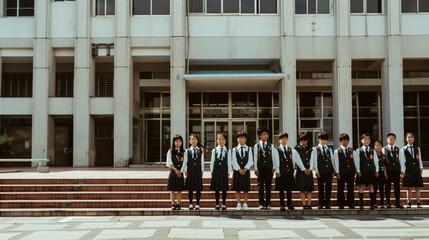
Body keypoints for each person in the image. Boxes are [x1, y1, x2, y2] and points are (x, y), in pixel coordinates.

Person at [275, 132, 304, 210]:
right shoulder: (276, 150)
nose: (284, 141)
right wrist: (277, 171)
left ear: (287, 140)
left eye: (285, 139)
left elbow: (297, 160)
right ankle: (282, 204)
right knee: (281, 190)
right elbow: (276, 161)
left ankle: (289, 204)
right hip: (281, 172)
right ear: (279, 140)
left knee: (289, 189)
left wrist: (303, 169)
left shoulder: (292, 150)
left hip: (289, 172)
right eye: (282, 139)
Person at [254, 127, 278, 210]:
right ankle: (261, 203)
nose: (266, 136)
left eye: (266, 134)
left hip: (269, 168)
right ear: (259, 136)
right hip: (260, 168)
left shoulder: (271, 145)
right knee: (260, 186)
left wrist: (274, 167)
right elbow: (255, 157)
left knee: (268, 186)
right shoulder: (256, 146)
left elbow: (273, 157)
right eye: (263, 134)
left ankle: (268, 203)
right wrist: (256, 168)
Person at [355, 133, 379, 210]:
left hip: (371, 171)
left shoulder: (372, 150)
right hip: (362, 171)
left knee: (371, 186)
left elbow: (376, 161)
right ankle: (361, 204)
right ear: (361, 140)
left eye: (368, 139)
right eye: (365, 139)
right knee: (361, 186)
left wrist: (376, 170)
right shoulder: (358, 150)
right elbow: (357, 162)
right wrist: (358, 171)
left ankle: (372, 203)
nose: (366, 141)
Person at [312, 131, 335, 209]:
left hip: (329, 171)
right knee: (321, 189)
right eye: (322, 139)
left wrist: (333, 170)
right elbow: (315, 161)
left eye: (325, 139)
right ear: (318, 139)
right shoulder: (315, 149)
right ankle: (321, 204)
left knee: (329, 188)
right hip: (320, 172)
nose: (323, 141)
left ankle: (327, 203)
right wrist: (316, 171)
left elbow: (332, 160)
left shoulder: (329, 149)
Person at [400, 132, 424, 208]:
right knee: (409, 187)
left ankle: (418, 202)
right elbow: (402, 161)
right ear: (406, 139)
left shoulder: (417, 148)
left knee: (418, 187)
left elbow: (419, 159)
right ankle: (408, 202)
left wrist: (421, 167)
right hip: (408, 169)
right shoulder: (403, 149)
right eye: (408, 137)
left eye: (411, 137)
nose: (410, 138)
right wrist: (403, 170)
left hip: (416, 169)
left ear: (414, 139)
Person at [232, 131, 253, 211]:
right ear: (237, 139)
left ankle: (245, 203)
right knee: (237, 188)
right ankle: (238, 203)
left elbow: (250, 160)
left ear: (246, 139)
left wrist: (246, 168)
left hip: (246, 171)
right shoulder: (234, 149)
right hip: (237, 171)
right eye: (239, 138)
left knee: (245, 188)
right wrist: (239, 169)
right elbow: (234, 160)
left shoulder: (249, 149)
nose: (241, 139)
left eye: (243, 138)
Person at [333, 133, 356, 209]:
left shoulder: (352, 150)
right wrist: (337, 172)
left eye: (347, 140)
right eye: (343, 140)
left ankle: (351, 203)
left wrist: (356, 171)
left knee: (350, 188)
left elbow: (355, 161)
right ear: (340, 141)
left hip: (350, 172)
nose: (345, 141)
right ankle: (341, 203)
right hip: (341, 172)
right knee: (340, 188)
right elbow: (336, 162)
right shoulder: (337, 151)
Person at [210, 133, 232, 210]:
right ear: (216, 140)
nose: (221, 141)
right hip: (216, 170)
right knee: (216, 188)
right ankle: (216, 203)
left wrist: (229, 171)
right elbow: (212, 161)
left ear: (225, 141)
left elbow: (229, 162)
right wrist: (211, 171)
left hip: (224, 171)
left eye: (223, 139)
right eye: (219, 139)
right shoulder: (214, 150)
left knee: (224, 188)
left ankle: (223, 203)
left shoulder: (228, 151)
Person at [382, 133, 404, 209]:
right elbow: (383, 161)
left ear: (395, 140)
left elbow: (401, 160)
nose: (392, 140)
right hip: (388, 171)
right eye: (390, 139)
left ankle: (397, 203)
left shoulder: (398, 149)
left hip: (396, 170)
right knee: (388, 187)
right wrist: (384, 171)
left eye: (393, 139)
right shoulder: (383, 149)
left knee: (397, 187)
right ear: (387, 140)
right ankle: (388, 203)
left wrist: (402, 170)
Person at [183, 134, 205, 210]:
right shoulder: (187, 151)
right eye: (192, 139)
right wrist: (185, 170)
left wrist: (202, 170)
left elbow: (202, 161)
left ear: (197, 141)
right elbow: (185, 161)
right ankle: (191, 203)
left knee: (198, 187)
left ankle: (198, 203)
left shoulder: (201, 150)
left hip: (198, 171)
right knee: (190, 188)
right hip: (190, 171)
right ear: (189, 141)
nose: (193, 141)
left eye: (195, 139)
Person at [295, 132, 314, 209]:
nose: (304, 142)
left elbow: (312, 159)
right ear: (299, 140)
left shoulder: (311, 149)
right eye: (302, 140)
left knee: (309, 189)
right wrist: (303, 169)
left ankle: (309, 204)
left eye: (305, 140)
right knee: (302, 189)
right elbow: (297, 160)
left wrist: (310, 168)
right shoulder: (296, 149)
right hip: (301, 172)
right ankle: (304, 204)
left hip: (309, 171)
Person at [166, 134, 185, 210]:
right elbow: (169, 163)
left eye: (180, 141)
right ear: (173, 142)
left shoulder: (184, 151)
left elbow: (185, 162)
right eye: (176, 141)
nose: (178, 143)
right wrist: (176, 170)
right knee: (173, 189)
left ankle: (179, 204)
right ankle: (173, 204)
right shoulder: (170, 151)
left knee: (179, 189)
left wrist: (181, 170)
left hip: (180, 172)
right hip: (173, 172)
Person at [374, 140, 387, 208]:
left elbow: (385, 165)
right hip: (375, 174)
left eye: (380, 145)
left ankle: (382, 203)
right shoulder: (373, 155)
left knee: (382, 189)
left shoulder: (383, 155)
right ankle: (374, 203)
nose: (378, 147)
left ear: (382, 147)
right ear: (374, 146)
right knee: (375, 189)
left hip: (382, 173)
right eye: (377, 145)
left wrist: (385, 172)